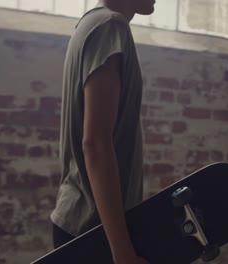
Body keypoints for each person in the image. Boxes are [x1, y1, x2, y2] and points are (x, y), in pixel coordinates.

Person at [50, 0, 155, 263]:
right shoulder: (110, 26)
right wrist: (122, 252)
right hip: (93, 234)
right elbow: (95, 144)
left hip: (88, 227)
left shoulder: (92, 24)